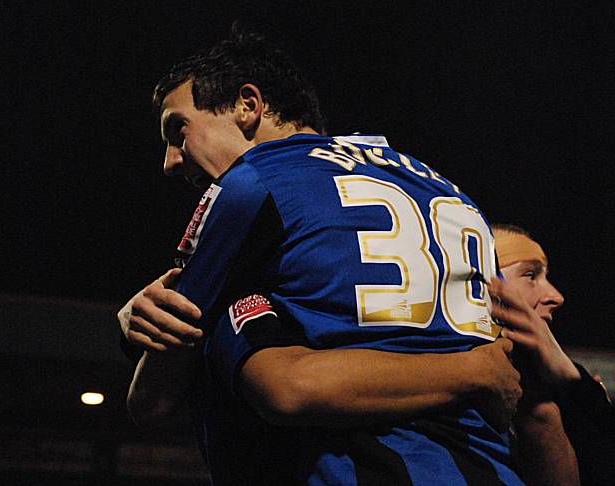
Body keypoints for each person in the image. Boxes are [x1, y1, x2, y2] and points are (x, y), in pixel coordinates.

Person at [123, 25, 525, 484]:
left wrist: (144, 324)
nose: (171, 161)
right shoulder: (443, 187)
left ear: (247, 106)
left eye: (179, 130)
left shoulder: (251, 183)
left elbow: (151, 400)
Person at [489, 224, 615, 486]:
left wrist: (574, 383)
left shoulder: (564, 386)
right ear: (489, 284)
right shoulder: (450, 377)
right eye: (531, 275)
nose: (556, 297)